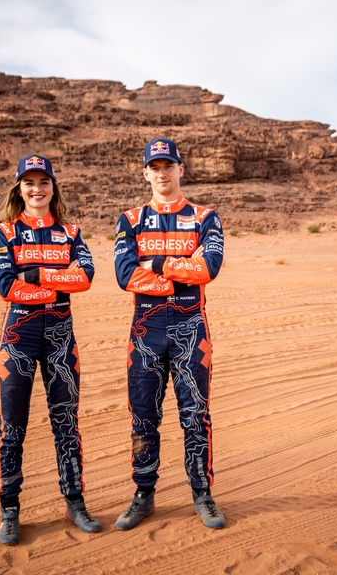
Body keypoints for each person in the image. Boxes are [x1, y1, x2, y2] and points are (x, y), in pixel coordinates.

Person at [112, 138, 226, 530]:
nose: (162, 173)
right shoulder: (129, 219)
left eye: (169, 166)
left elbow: (209, 267)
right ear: (146, 173)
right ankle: (143, 495)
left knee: (196, 416)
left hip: (191, 327)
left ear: (181, 169)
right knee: (143, 417)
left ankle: (202, 494)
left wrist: (153, 266)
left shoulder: (205, 218)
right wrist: (177, 267)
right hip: (146, 329)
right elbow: (125, 275)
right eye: (154, 167)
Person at [0, 154, 100, 545]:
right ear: (19, 189)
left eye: (44, 182)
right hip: (18, 339)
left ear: (54, 187)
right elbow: (6, 286)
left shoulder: (71, 232)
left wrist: (34, 274)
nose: (37, 189)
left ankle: (75, 502)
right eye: (29, 183)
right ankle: (9, 511)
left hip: (60, 339)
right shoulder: (3, 232)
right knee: (12, 429)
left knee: (66, 425)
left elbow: (85, 278)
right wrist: (58, 280)